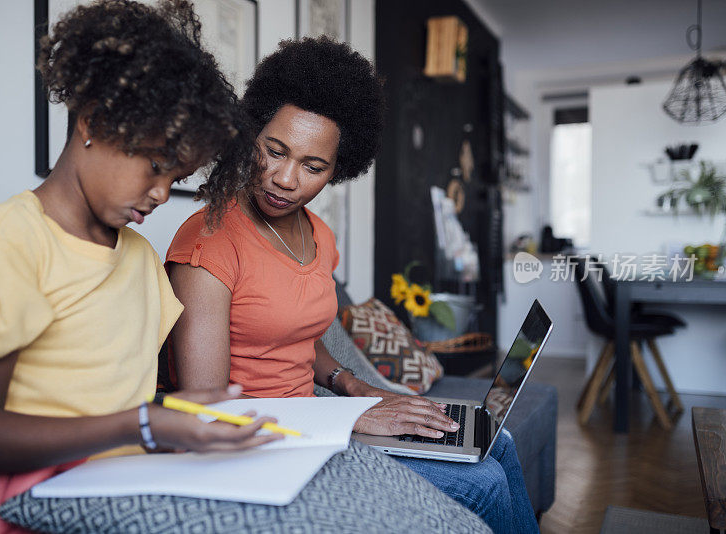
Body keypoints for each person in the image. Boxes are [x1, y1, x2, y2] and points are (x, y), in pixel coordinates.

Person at [164, 37, 539, 534]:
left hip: (318, 418)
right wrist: (349, 419)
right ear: (249, 135)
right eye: (273, 151)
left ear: (338, 170)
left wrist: (356, 388)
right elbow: (207, 412)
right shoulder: (208, 242)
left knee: (500, 442)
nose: (285, 178)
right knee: (483, 483)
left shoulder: (319, 235)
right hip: (258, 442)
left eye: (313, 166)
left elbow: (299, 337)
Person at [0, 2, 281, 532]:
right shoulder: (7, 242)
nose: (164, 193)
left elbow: (108, 394)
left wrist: (178, 410)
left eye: (178, 175)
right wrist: (142, 425)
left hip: (123, 478)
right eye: (157, 166)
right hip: (30, 501)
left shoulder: (138, 258)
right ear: (94, 120)